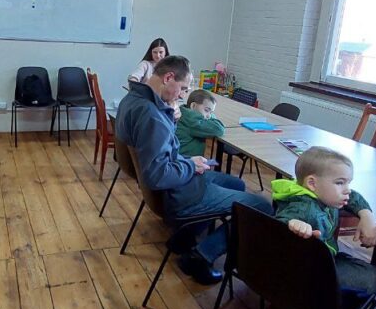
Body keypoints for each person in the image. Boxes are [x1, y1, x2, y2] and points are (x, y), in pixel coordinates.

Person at [116, 55, 274, 284]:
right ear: (168, 78)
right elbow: (157, 175)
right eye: (183, 88)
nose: (182, 95)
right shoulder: (153, 116)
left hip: (169, 187)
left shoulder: (132, 99)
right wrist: (190, 165)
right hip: (177, 194)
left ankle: (183, 238)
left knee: (236, 183)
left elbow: (159, 154)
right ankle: (200, 257)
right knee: (262, 207)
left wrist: (187, 160)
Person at [271, 146, 376, 295]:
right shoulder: (304, 208)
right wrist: (292, 224)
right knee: (375, 278)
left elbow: (352, 196)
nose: (347, 189)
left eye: (348, 183)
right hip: (306, 270)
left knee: (371, 274)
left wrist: (366, 215)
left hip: (320, 257)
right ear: (312, 184)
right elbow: (276, 228)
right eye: (340, 183)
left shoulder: (320, 194)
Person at [175, 89, 224, 158]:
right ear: (193, 106)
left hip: (181, 157)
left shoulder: (184, 112)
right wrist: (212, 117)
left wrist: (209, 114)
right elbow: (219, 129)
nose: (209, 116)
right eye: (206, 110)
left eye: (211, 112)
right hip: (185, 160)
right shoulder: (192, 120)